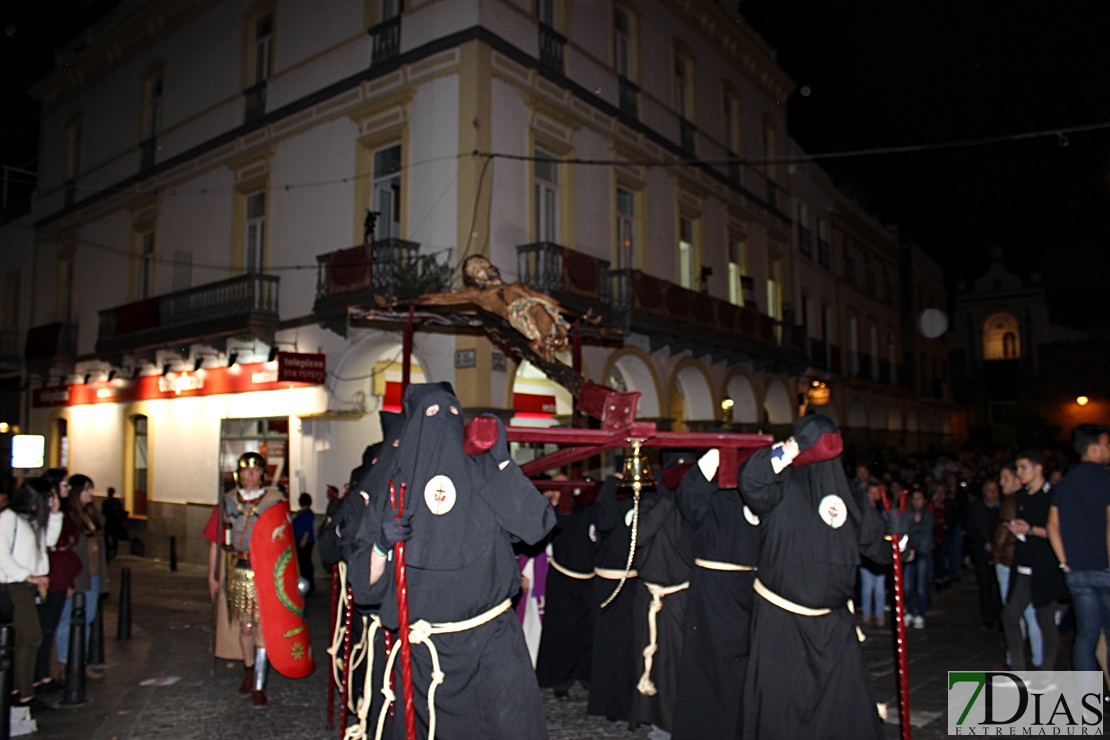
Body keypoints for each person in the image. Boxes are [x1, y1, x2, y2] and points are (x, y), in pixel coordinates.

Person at [362, 382, 556, 739]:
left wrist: (501, 462)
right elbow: (365, 587)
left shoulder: (485, 476)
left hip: (492, 647)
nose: (442, 423)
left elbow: (537, 524)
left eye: (452, 414)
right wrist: (380, 545)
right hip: (426, 654)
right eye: (430, 415)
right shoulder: (393, 492)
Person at [739, 414, 892, 739]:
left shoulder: (850, 494)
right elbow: (751, 481)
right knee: (784, 710)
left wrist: (899, 543)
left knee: (841, 712)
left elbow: (877, 547)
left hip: (833, 626)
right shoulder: (781, 484)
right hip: (783, 621)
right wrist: (789, 449)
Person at [671, 447, 760, 740]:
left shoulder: (755, 487)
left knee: (739, 664)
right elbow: (689, 503)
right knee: (711, 663)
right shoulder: (715, 489)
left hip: (740, 586)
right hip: (719, 586)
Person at [379, 255, 597, 363]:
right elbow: (440, 298)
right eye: (476, 269)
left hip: (545, 315)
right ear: (475, 279)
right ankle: (545, 344)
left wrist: (581, 315)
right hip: (521, 315)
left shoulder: (517, 286)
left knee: (550, 317)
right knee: (538, 309)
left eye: (482, 263)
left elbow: (549, 299)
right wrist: (399, 300)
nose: (483, 268)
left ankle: (547, 342)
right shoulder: (479, 295)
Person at [204, 451, 288, 708]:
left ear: (262, 473)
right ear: (238, 474)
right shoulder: (227, 502)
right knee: (245, 628)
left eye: (254, 471)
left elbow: (284, 542)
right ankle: (249, 671)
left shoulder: (274, 501)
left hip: (265, 572)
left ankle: (259, 686)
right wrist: (212, 576)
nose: (249, 476)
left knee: (262, 630)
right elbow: (216, 543)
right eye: (245, 471)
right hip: (238, 571)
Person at [1047, 424, 1110, 671]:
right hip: (1103, 568)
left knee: (1086, 637)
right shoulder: (1106, 480)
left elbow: (1052, 525)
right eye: (1106, 445)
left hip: (1077, 571)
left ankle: (1087, 703)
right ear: (1094, 448)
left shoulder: (1065, 483)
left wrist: (1064, 562)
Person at [0, 478, 63, 711]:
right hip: (13, 585)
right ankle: (24, 693)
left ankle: (17, 689)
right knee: (32, 636)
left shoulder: (31, 521)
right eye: (49, 497)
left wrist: (55, 514)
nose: (52, 501)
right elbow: (2, 555)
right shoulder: (9, 519)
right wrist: (27, 576)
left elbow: (48, 542)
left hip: (28, 585)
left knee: (24, 639)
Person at [1000, 449, 1065, 670]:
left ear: (1038, 468)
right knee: (1010, 614)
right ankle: (1018, 668)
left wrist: (1031, 530)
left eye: (1023, 468)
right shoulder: (1022, 495)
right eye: (1017, 468)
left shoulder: (1053, 495)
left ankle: (1047, 670)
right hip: (1023, 564)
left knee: (1045, 618)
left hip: (1045, 565)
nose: (1020, 473)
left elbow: (1060, 531)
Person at [56, 474, 108, 681]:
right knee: (68, 618)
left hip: (93, 573)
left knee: (87, 618)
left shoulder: (92, 514)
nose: (90, 493)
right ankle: (65, 662)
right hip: (77, 575)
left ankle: (80, 662)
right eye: (87, 489)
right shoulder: (67, 516)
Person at [967, 479, 1002, 629]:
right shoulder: (977, 509)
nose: (991, 494)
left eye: (994, 491)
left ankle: (1002, 617)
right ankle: (988, 616)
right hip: (983, 552)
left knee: (1001, 586)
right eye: (989, 490)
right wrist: (985, 544)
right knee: (985, 585)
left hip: (1001, 552)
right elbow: (972, 529)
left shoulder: (1003, 508)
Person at [859, 483, 894, 628]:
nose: (874, 495)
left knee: (879, 587)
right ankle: (867, 614)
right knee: (867, 586)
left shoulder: (883, 510)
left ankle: (879, 615)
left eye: (876, 492)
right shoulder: (863, 511)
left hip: (879, 553)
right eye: (871, 492)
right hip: (867, 553)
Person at [900, 488, 935, 628]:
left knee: (921, 586)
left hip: (922, 553)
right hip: (910, 553)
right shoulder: (908, 515)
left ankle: (920, 614)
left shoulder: (928, 516)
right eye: (914, 499)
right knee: (907, 586)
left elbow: (925, 538)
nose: (917, 501)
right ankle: (909, 611)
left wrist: (914, 530)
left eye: (919, 498)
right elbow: (904, 532)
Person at [292, 493, 315, 597]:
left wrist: (304, 540)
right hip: (299, 540)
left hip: (304, 541)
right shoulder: (302, 513)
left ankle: (309, 586)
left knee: (305, 564)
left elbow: (307, 529)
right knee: (302, 563)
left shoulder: (308, 514)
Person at [101, 487, 128, 559]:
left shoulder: (106, 502)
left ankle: (109, 550)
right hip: (116, 522)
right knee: (115, 537)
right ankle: (114, 551)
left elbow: (103, 512)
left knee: (106, 536)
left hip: (109, 521)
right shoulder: (117, 501)